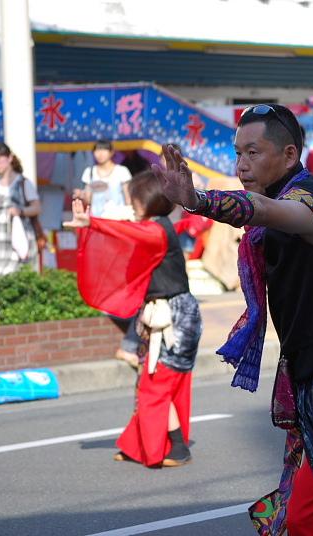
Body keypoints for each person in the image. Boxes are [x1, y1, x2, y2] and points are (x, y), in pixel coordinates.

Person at [155, 104, 313, 535]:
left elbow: (269, 211)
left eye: (253, 152)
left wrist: (198, 201)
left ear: (290, 155)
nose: (242, 165)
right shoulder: (279, 209)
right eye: (237, 154)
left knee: (307, 519)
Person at [66, 170, 202, 467]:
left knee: (155, 384)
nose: (132, 204)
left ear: (149, 200)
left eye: (135, 199)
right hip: (162, 315)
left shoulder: (155, 231)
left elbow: (127, 234)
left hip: (173, 319)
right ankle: (139, 444)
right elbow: (128, 232)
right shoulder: (154, 226)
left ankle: (177, 447)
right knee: (153, 381)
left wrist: (92, 223)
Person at [0, 143, 42, 276]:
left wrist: (20, 211)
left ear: (9, 158)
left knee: (17, 275)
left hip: (17, 237)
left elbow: (37, 207)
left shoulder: (23, 183)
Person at [74, 139, 132, 220]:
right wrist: (81, 196)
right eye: (97, 150)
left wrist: (130, 217)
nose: (100, 154)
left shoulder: (122, 171)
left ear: (111, 152)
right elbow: (88, 200)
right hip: (97, 220)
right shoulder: (89, 172)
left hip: (118, 219)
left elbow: (128, 198)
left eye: (104, 150)